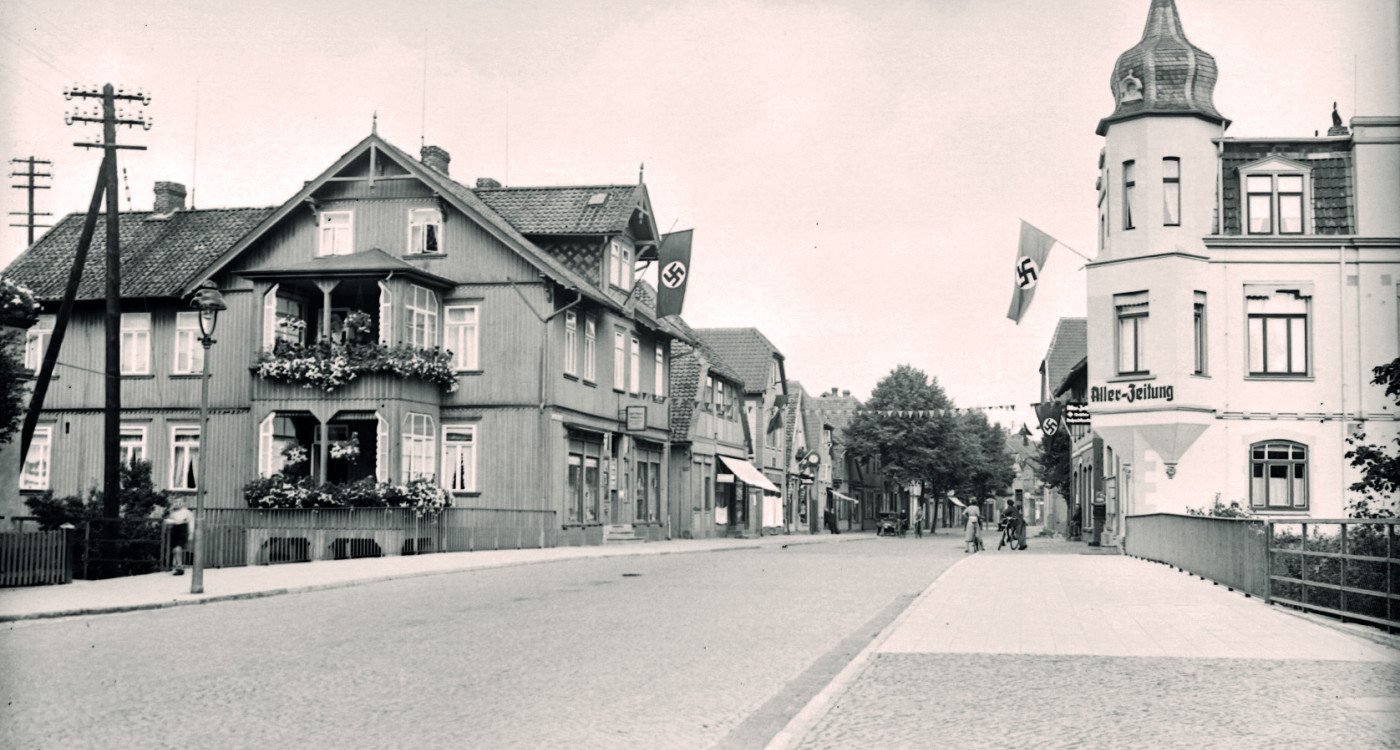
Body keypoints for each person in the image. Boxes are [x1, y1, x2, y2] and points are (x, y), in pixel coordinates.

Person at [164, 499, 194, 575]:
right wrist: (170, 510)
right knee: (175, 549)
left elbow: (191, 522)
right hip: (175, 530)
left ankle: (180, 567)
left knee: (178, 548)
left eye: (180, 502)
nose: (178, 503)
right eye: (176, 502)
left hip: (183, 530)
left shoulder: (187, 512)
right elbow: (169, 520)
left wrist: (191, 533)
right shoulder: (174, 512)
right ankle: (176, 566)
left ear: (184, 503)